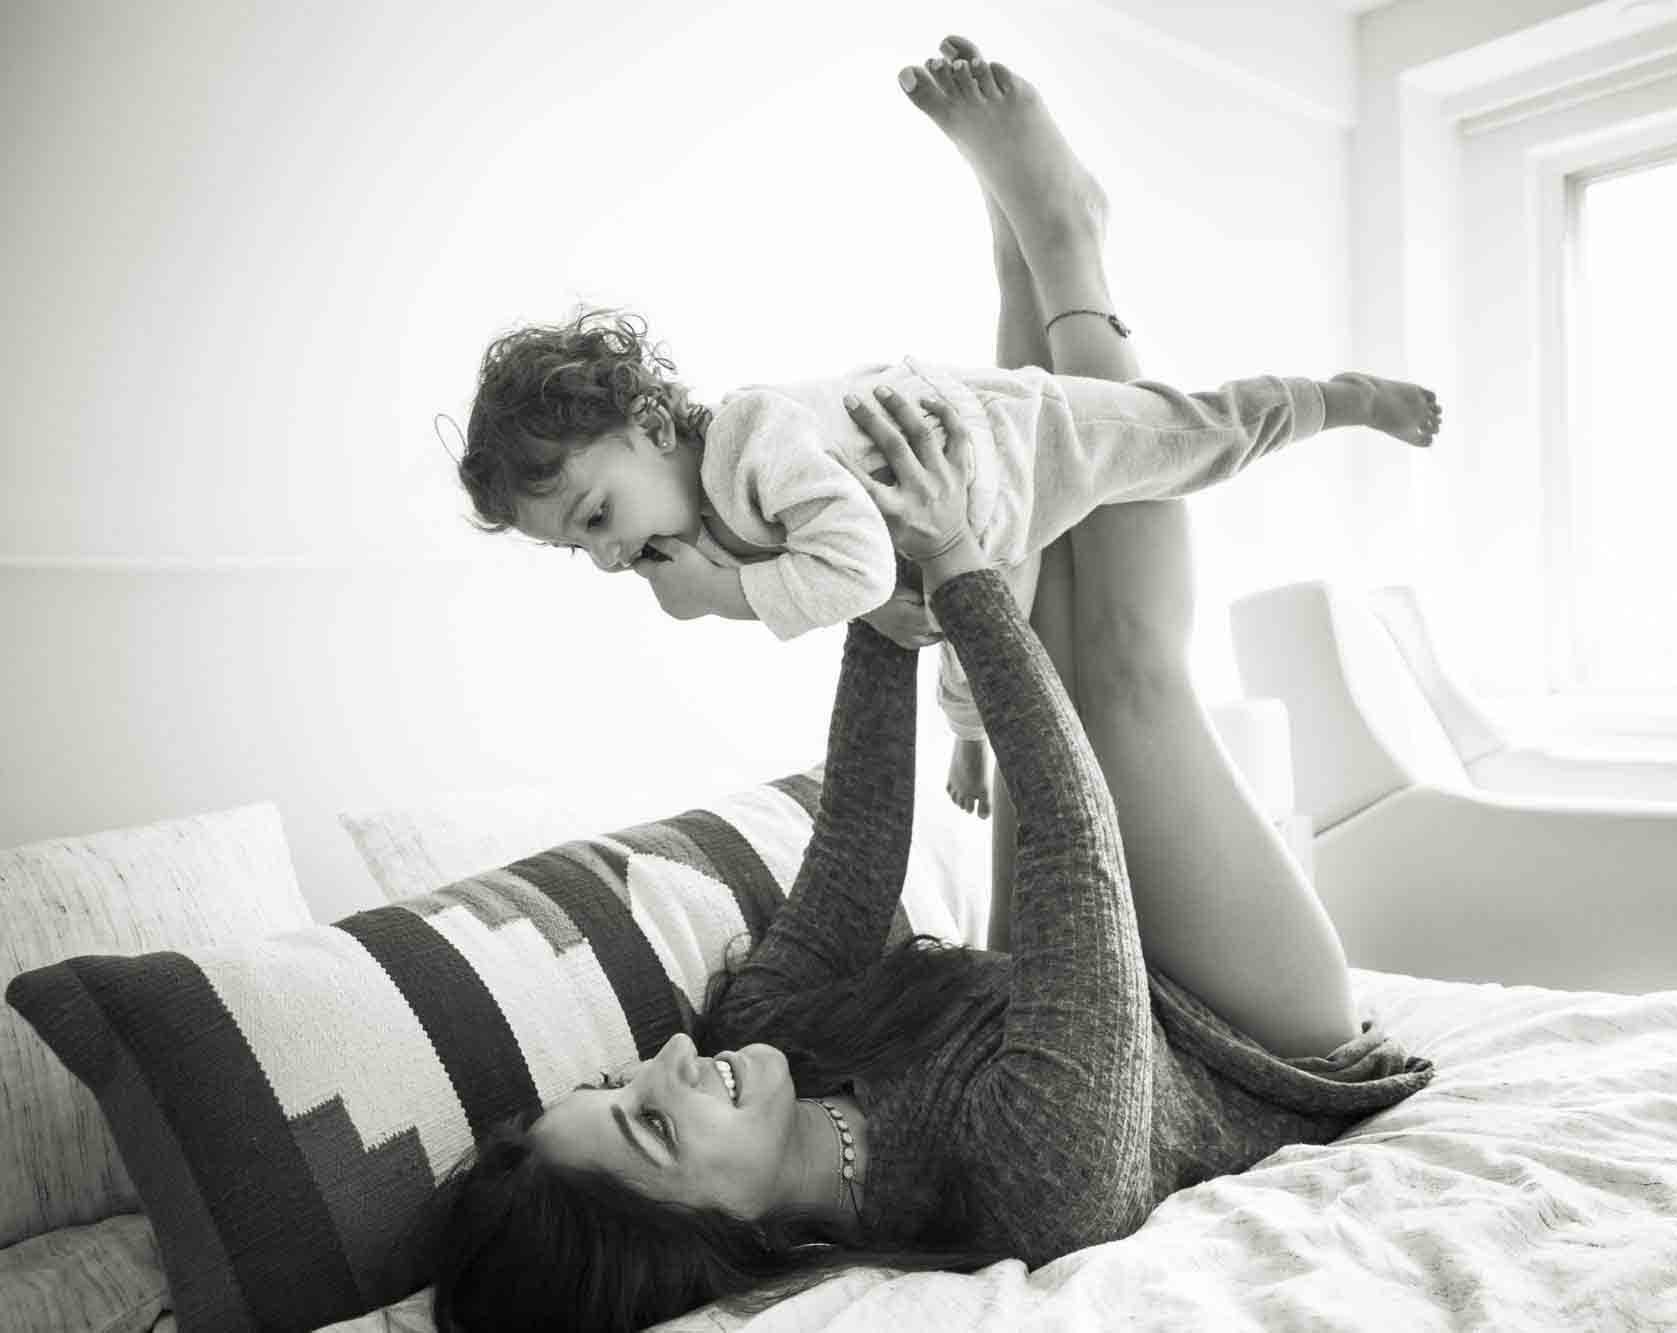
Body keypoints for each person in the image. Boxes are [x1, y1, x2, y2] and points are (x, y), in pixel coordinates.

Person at [424, 37, 1436, 1332]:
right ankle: (1066, 242)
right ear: (714, 1241)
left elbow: (857, 832)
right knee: (1117, 678)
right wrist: (950, 566)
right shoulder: (1034, 1182)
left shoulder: (768, 1035)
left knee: (993, 492)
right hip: (1249, 1028)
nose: (675, 1059)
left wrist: (903, 577)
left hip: (1060, 989)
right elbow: (1076, 833)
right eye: (647, 1121)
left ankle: (1023, 252)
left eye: (629, 1076)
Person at [452, 47, 1442, 872]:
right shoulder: (708, 518)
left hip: (1007, 446)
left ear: (653, 426)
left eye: (593, 518)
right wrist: (918, 677)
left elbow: (858, 569)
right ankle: (1023, 233)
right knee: (984, 647)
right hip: (972, 530)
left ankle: (1333, 398)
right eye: (577, 552)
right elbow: (888, 595)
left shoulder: (753, 441)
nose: (608, 558)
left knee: (1186, 438)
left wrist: (725, 600)